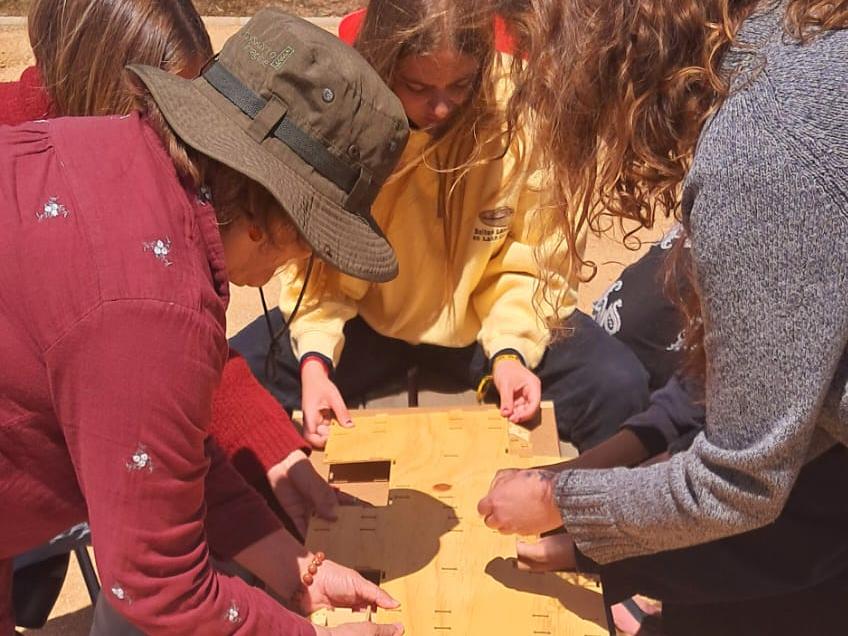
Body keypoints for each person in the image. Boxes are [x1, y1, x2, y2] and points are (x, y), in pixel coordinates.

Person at [0, 8, 410, 635]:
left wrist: (291, 564)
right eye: (311, 243)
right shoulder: (157, 308)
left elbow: (161, 449)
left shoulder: (124, 159)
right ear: (271, 220)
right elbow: (158, 589)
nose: (297, 264)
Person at [479, 0, 848, 632]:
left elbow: (741, 482)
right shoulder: (789, 54)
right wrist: (574, 480)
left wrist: (566, 511)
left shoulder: (760, 152)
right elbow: (758, 387)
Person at [231, 0, 652, 454]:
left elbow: (534, 261)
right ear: (383, 62)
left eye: (461, 85)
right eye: (417, 86)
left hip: (481, 325)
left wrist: (511, 353)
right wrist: (314, 360)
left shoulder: (522, 110)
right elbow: (315, 268)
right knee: (228, 383)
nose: (441, 107)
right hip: (363, 322)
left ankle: (581, 517)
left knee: (618, 387)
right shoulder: (339, 113)